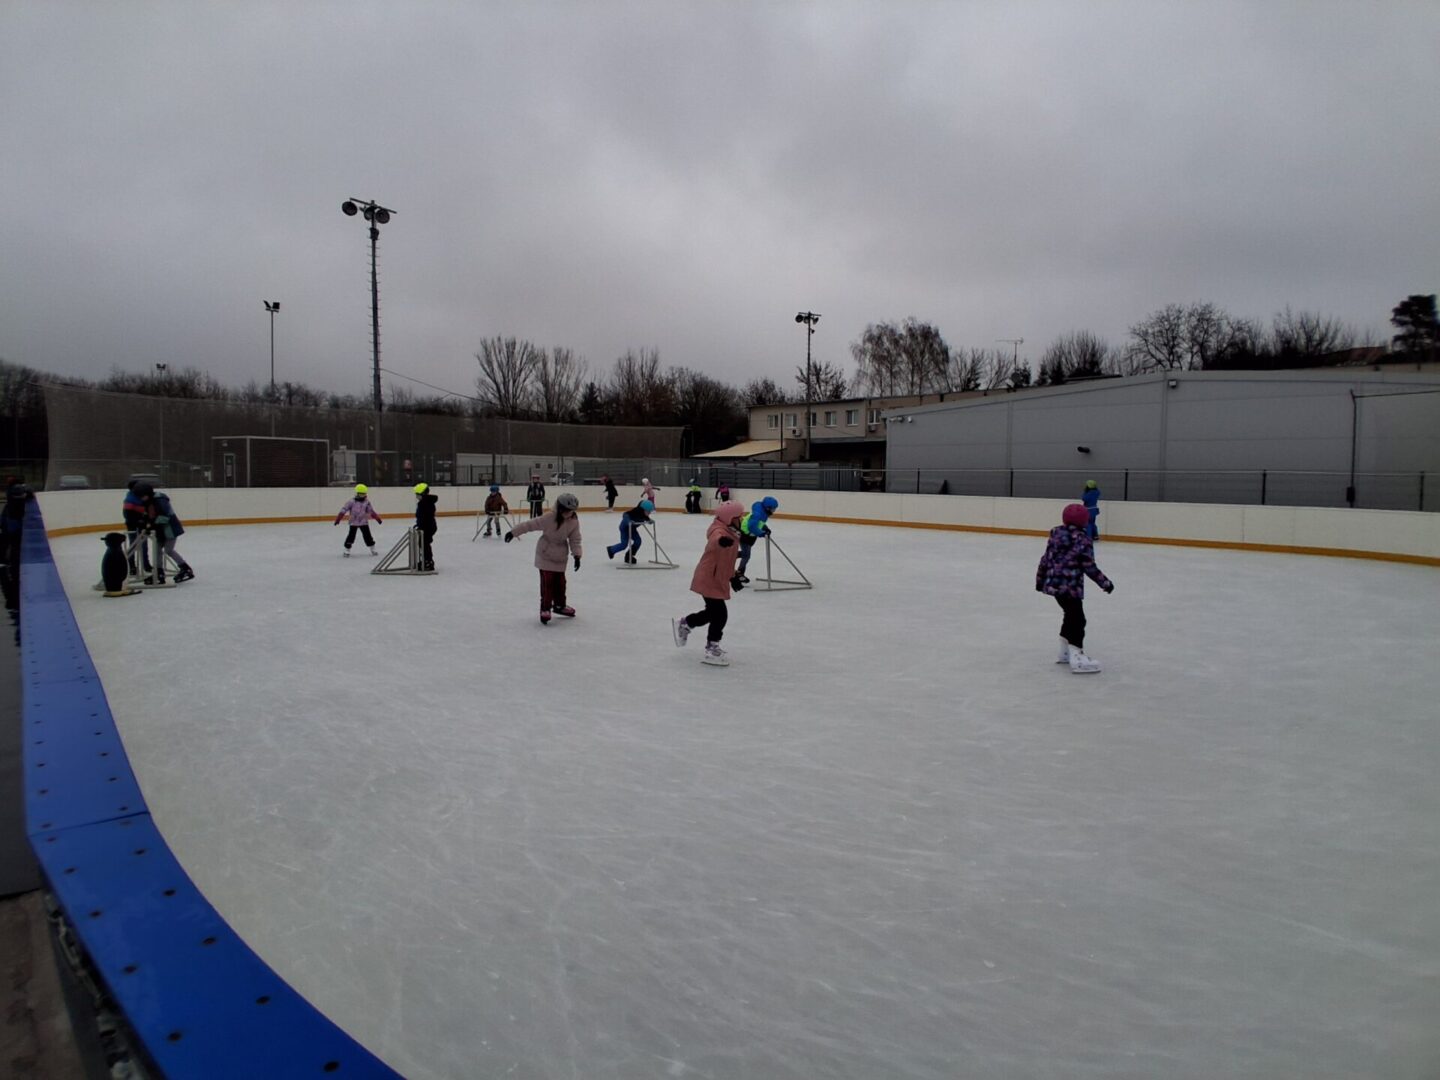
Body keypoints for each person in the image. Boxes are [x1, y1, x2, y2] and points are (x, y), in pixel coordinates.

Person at [1036, 503, 1114, 673]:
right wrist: (1105, 583)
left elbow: (1045, 558)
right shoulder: (1083, 539)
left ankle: (1064, 652)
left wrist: (1040, 580)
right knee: (1078, 619)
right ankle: (1077, 657)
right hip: (1070, 588)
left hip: (1054, 585)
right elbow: (1089, 566)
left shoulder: (1055, 535)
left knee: (1071, 615)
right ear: (1084, 521)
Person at [672, 501, 746, 667]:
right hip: (708, 578)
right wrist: (721, 541)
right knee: (720, 614)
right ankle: (711, 647)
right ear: (729, 518)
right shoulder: (719, 531)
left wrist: (733, 576)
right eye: (739, 517)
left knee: (713, 613)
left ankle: (686, 623)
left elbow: (725, 560)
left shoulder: (732, 532)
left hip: (716, 577)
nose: (742, 519)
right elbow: (714, 539)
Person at [505, 492, 582, 624]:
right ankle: (545, 608)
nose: (569, 513)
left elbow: (575, 539)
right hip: (545, 554)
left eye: (571, 510)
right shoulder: (549, 517)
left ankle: (559, 605)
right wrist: (513, 532)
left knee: (561, 583)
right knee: (547, 584)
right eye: (567, 510)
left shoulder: (573, 520)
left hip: (560, 556)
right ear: (560, 507)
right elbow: (530, 525)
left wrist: (577, 555)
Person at [146, 488, 195, 583]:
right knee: (157, 550)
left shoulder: (160, 500)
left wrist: (152, 524)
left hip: (170, 530)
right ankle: (159, 572)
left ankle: (185, 568)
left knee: (169, 550)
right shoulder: (149, 501)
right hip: (160, 530)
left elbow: (166, 516)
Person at [735, 495, 779, 583]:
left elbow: (760, 523)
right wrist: (761, 533)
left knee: (745, 554)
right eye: (773, 509)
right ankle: (739, 573)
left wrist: (765, 528)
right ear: (767, 508)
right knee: (746, 555)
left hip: (750, 536)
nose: (774, 511)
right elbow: (752, 526)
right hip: (745, 535)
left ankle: (730, 555)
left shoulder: (763, 513)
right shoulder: (757, 514)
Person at [333, 483, 382, 556]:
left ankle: (372, 548)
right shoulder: (351, 502)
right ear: (357, 494)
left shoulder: (367, 502)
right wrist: (338, 519)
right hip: (353, 522)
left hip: (363, 522)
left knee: (368, 536)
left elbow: (371, 511)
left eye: (364, 494)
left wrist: (377, 518)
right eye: (361, 494)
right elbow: (343, 510)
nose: (363, 496)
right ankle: (347, 549)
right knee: (351, 536)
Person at [121, 480, 153, 577]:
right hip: (132, 524)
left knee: (144, 545)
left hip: (141, 524)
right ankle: (132, 567)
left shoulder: (142, 497)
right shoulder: (130, 499)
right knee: (133, 544)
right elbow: (127, 514)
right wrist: (138, 520)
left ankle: (146, 565)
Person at [606, 499, 653, 564]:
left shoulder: (644, 515)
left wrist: (649, 520)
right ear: (642, 509)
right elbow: (625, 515)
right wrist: (628, 521)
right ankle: (611, 550)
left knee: (638, 541)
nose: (649, 513)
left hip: (632, 529)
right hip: (625, 528)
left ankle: (629, 556)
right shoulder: (634, 512)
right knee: (624, 545)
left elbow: (646, 518)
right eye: (648, 511)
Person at [2, 477, 32, 566]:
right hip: (13, 520)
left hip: (11, 519)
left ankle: (7, 560)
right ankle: (12, 562)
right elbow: (27, 494)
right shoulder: (15, 491)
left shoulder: (10, 491)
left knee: (9, 542)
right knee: (14, 543)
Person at [414, 482, 439, 571]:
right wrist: (418, 524)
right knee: (423, 543)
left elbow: (424, 516)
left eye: (418, 494)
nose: (416, 496)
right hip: (427, 526)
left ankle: (428, 562)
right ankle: (426, 560)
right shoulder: (425, 502)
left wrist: (421, 525)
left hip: (428, 527)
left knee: (424, 543)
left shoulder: (425, 503)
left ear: (423, 494)